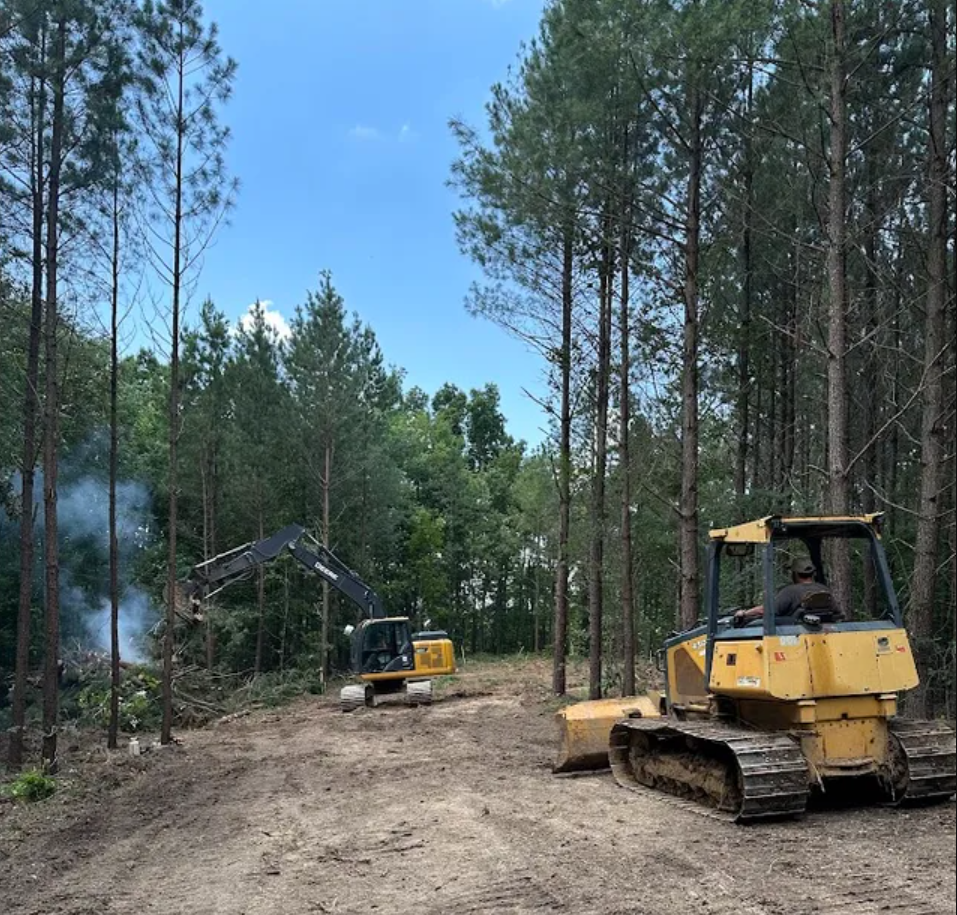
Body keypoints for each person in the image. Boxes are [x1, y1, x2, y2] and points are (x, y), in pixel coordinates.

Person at [734, 556, 830, 625]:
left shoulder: (790, 591)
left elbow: (768, 610)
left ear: (795, 574)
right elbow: (835, 611)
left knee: (757, 623)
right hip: (823, 631)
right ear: (812, 573)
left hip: (795, 631)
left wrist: (745, 613)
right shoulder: (824, 589)